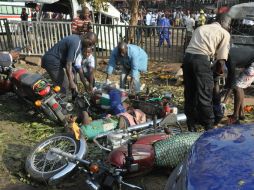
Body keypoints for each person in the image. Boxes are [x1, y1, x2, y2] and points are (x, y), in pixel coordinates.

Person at [183, 13, 231, 132]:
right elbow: (221, 61)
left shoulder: (201, 28)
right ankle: (209, 127)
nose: (229, 27)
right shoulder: (224, 33)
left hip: (187, 59)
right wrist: (218, 74)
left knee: (190, 93)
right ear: (223, 22)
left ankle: (191, 124)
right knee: (205, 94)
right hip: (201, 61)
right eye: (229, 24)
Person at [41, 32, 97, 96]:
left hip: (58, 61)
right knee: (65, 88)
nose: (89, 46)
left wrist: (85, 85)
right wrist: (71, 82)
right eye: (90, 44)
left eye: (91, 45)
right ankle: (64, 103)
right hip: (52, 61)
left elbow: (78, 69)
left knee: (72, 77)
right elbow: (68, 64)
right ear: (86, 38)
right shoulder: (76, 43)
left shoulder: (78, 40)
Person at [222, 47, 254, 124]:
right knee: (239, 86)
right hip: (250, 63)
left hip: (252, 66)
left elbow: (231, 82)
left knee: (237, 87)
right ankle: (241, 114)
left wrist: (224, 102)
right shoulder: (227, 52)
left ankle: (235, 117)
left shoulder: (230, 59)